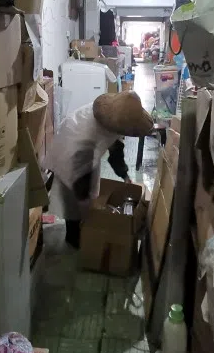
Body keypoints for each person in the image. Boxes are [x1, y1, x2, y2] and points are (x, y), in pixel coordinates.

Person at [45, 91, 153, 248]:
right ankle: (75, 238)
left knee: (86, 194)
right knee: (74, 201)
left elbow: (116, 151)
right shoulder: (85, 141)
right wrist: (88, 207)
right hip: (72, 150)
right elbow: (80, 176)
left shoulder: (112, 116)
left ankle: (83, 226)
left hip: (78, 144)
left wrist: (124, 175)